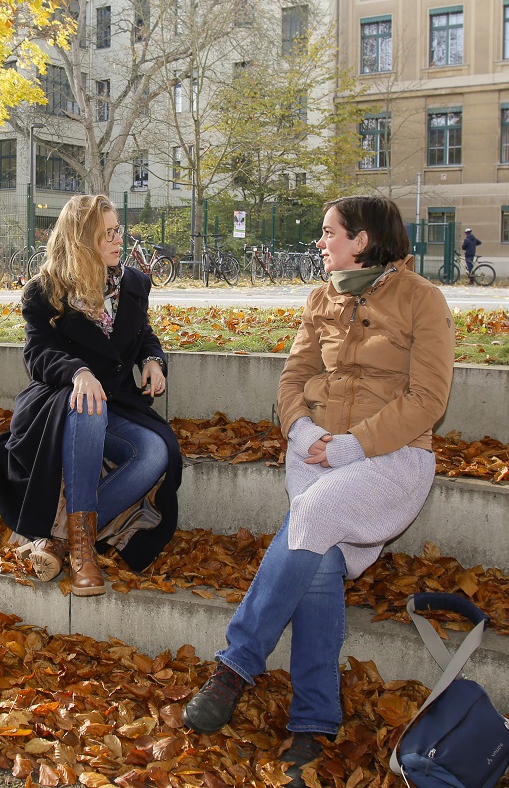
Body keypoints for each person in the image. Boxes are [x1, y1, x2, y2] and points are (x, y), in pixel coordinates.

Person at [181, 195, 455, 787]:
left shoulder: (422, 300)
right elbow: (294, 377)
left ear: (362, 239)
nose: (320, 241)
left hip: (392, 459)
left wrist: (353, 444)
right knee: (321, 560)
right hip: (314, 451)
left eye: (329, 232)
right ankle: (314, 722)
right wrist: (300, 427)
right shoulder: (321, 297)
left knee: (312, 515)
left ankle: (234, 667)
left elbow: (429, 400)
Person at [0, 194, 182, 596]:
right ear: (80, 241)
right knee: (88, 406)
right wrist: (77, 372)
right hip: (58, 404)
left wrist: (152, 360)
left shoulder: (132, 284)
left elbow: (143, 335)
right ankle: (83, 557)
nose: (117, 241)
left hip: (119, 404)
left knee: (155, 453)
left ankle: (63, 540)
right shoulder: (44, 291)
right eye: (106, 234)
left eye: (118, 231)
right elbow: (37, 353)